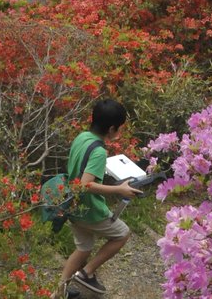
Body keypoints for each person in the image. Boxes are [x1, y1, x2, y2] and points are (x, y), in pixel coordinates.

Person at [60, 99, 141, 296]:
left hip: (72, 206)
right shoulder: (99, 152)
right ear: (112, 128)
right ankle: (86, 273)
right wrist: (119, 190)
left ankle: (58, 292)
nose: (119, 132)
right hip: (89, 211)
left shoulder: (82, 137)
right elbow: (85, 184)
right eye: (119, 129)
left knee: (83, 249)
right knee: (122, 234)